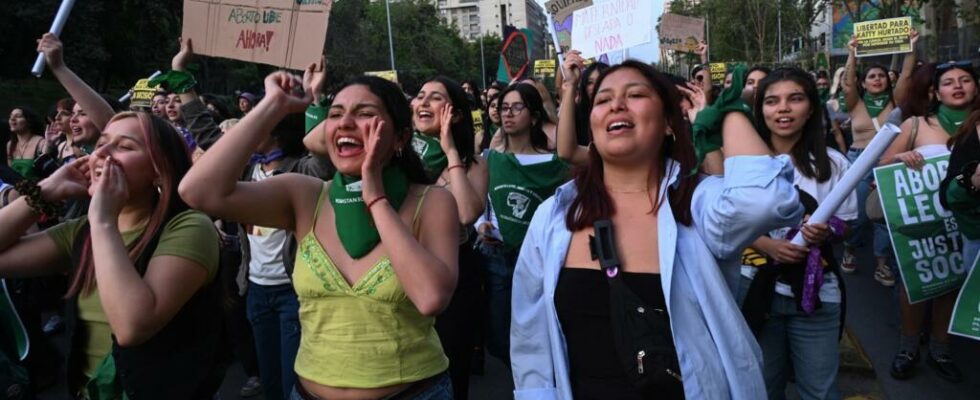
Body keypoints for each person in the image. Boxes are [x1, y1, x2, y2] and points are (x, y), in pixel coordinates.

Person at [511, 60, 803, 399]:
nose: (616, 104)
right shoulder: (555, 216)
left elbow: (767, 201)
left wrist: (728, 113)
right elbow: (529, 335)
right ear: (591, 126)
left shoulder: (696, 204)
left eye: (635, 94)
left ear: (668, 123)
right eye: (603, 100)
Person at [180, 70, 458, 400]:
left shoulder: (433, 201)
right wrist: (274, 105)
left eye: (365, 113)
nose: (344, 123)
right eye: (336, 114)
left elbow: (430, 298)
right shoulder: (305, 196)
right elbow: (198, 191)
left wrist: (376, 197)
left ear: (400, 137)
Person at [0, 111, 225, 398]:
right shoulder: (81, 230)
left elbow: (132, 327)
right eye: (102, 143)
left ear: (159, 170)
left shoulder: (189, 226)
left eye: (125, 146)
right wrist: (44, 191)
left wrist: (104, 219)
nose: (103, 153)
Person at [738, 67, 857, 400]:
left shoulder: (833, 164)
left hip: (819, 296)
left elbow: (846, 223)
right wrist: (767, 245)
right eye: (772, 101)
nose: (783, 109)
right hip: (753, 290)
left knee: (820, 391)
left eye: (795, 99)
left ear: (811, 108)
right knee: (761, 389)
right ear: (760, 110)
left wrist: (827, 232)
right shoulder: (741, 163)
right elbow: (723, 224)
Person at [879, 60, 978, 383]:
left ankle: (941, 350)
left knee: (952, 285)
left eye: (965, 80)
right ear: (936, 91)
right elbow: (881, 166)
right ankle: (908, 349)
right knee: (916, 285)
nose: (958, 86)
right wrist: (900, 158)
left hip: (967, 224)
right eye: (949, 82)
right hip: (923, 222)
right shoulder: (917, 125)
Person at [477, 82, 569, 369]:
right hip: (498, 257)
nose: (508, 114)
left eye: (517, 107)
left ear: (534, 115)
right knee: (499, 336)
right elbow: (482, 202)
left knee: (543, 333)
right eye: (504, 107)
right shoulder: (489, 159)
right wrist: (482, 225)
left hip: (540, 259)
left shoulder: (556, 164)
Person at [411, 75, 489, 400]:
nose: (424, 102)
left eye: (435, 97)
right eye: (420, 96)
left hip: (454, 276)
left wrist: (450, 150)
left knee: (450, 367)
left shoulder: (474, 164)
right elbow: (313, 142)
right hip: (406, 275)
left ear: (455, 114)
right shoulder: (398, 159)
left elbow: (467, 213)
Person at [841, 31, 918, 277]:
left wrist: (911, 46)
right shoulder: (855, 103)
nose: (876, 79)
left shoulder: (894, 101)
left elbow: (907, 73)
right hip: (858, 161)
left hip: (888, 162)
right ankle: (850, 248)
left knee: (884, 215)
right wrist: (852, 52)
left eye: (881, 76)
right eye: (871, 76)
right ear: (864, 83)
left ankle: (881, 262)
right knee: (861, 215)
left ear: (888, 81)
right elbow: (847, 82)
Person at [7, 107, 46, 180]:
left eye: (18, 116)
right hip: (16, 188)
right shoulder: (10, 145)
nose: (12, 119)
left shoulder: (40, 142)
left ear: (29, 122)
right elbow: (10, 174)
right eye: (10, 116)